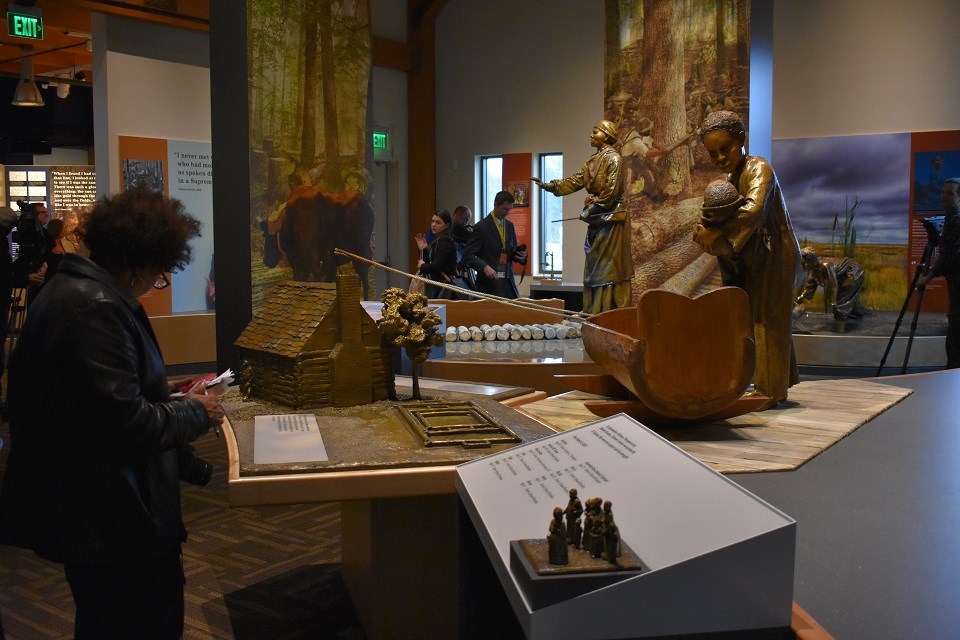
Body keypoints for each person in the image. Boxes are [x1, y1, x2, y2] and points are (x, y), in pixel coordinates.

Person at [0, 186, 225, 640]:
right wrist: (197, 411)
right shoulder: (95, 308)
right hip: (115, 524)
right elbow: (128, 424)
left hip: (102, 517)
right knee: (137, 622)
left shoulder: (77, 293)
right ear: (140, 260)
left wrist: (173, 394)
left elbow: (107, 398)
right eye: (160, 274)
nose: (157, 283)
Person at [693, 110, 801, 410]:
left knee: (769, 318)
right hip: (756, 254)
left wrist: (718, 234)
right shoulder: (732, 177)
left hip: (775, 251)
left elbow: (753, 211)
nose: (720, 158)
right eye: (713, 153)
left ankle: (771, 390)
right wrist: (706, 229)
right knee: (755, 316)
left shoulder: (759, 168)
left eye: (725, 149)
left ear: (742, 139)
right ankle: (769, 382)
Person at [533, 120, 632, 314]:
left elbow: (610, 193)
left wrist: (590, 209)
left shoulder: (614, 160)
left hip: (610, 221)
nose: (591, 135)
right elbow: (574, 181)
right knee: (594, 270)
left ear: (607, 135)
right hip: (596, 221)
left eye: (596, 132)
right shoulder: (592, 161)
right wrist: (549, 186)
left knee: (609, 270)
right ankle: (593, 309)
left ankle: (608, 311)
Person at [917, 178, 960, 368]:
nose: (944, 197)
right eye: (943, 192)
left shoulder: (956, 220)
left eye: (950, 193)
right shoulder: (951, 218)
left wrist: (928, 277)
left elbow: (950, 253)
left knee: (955, 346)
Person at [463, 190, 527, 298]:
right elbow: (467, 255)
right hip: (489, 286)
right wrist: (484, 267)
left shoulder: (509, 226)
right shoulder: (482, 227)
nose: (508, 213)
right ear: (496, 205)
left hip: (508, 285)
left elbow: (512, 251)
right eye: (505, 209)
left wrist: (521, 256)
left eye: (510, 209)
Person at [795, 246, 868, 321]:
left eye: (804, 263)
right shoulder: (815, 269)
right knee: (845, 298)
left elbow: (832, 285)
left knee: (841, 301)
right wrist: (802, 297)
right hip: (843, 274)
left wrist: (833, 302)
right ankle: (859, 311)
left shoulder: (825, 266)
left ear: (810, 260)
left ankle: (841, 322)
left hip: (853, 271)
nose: (803, 266)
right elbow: (811, 285)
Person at [415, 209, 460, 298]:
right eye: (432, 221)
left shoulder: (446, 241)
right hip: (437, 284)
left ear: (446, 225)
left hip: (443, 287)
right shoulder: (439, 239)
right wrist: (423, 249)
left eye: (438, 222)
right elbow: (430, 262)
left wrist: (422, 266)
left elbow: (437, 266)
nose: (433, 225)